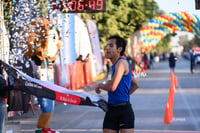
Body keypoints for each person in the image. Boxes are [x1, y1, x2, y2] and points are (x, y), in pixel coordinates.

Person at [94, 35, 139, 133]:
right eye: (107, 46)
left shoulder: (121, 63)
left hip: (124, 110)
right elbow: (135, 84)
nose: (107, 48)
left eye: (111, 45)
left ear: (119, 49)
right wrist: (123, 94)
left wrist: (99, 85)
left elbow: (112, 87)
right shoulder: (114, 66)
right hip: (111, 110)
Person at [0, 62, 21, 133]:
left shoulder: (1, 75)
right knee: (0, 123)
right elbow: (2, 88)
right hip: (1, 100)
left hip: (2, 100)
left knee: (1, 122)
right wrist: (12, 87)